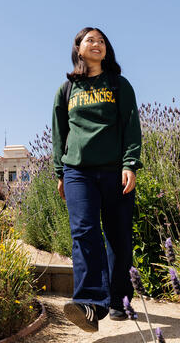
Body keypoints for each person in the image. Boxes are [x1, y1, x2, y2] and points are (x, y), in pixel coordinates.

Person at [51, 27, 142, 332]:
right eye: (90, 40)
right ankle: (90, 305)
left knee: (118, 237)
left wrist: (130, 163)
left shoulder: (118, 84)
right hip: (78, 172)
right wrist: (60, 173)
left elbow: (131, 126)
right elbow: (59, 134)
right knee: (84, 232)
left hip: (116, 170)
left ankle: (120, 301)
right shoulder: (67, 90)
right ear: (78, 48)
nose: (97, 44)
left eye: (101, 41)